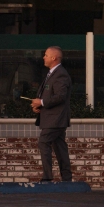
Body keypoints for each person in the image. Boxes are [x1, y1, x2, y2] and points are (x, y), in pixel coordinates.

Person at [31, 46, 72, 182]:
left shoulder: (60, 74)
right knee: (60, 148)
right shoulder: (52, 73)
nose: (44, 57)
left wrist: (42, 102)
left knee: (44, 143)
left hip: (55, 119)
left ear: (54, 58)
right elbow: (50, 94)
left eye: (46, 55)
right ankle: (67, 179)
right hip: (54, 119)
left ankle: (47, 178)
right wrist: (39, 106)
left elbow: (60, 96)